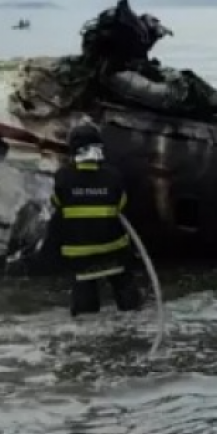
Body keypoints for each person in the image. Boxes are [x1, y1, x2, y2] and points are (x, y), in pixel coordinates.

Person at [48, 123, 142, 316]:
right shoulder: (112, 176)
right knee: (127, 296)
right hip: (113, 250)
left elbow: (57, 203)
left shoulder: (63, 177)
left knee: (85, 305)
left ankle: (87, 334)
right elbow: (122, 205)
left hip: (80, 255)